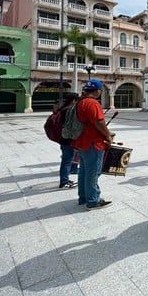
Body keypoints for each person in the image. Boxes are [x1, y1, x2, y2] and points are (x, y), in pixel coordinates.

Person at [72, 79, 113, 210]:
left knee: (84, 171)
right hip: (93, 143)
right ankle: (93, 200)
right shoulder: (92, 103)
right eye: (101, 90)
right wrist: (108, 135)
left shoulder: (80, 102)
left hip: (83, 142)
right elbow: (99, 122)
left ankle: (83, 196)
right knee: (93, 172)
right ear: (97, 91)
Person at [56, 92, 79, 189]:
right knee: (67, 160)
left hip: (63, 138)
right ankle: (64, 181)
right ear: (73, 100)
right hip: (67, 139)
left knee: (68, 159)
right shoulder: (69, 110)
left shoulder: (62, 109)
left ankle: (66, 177)